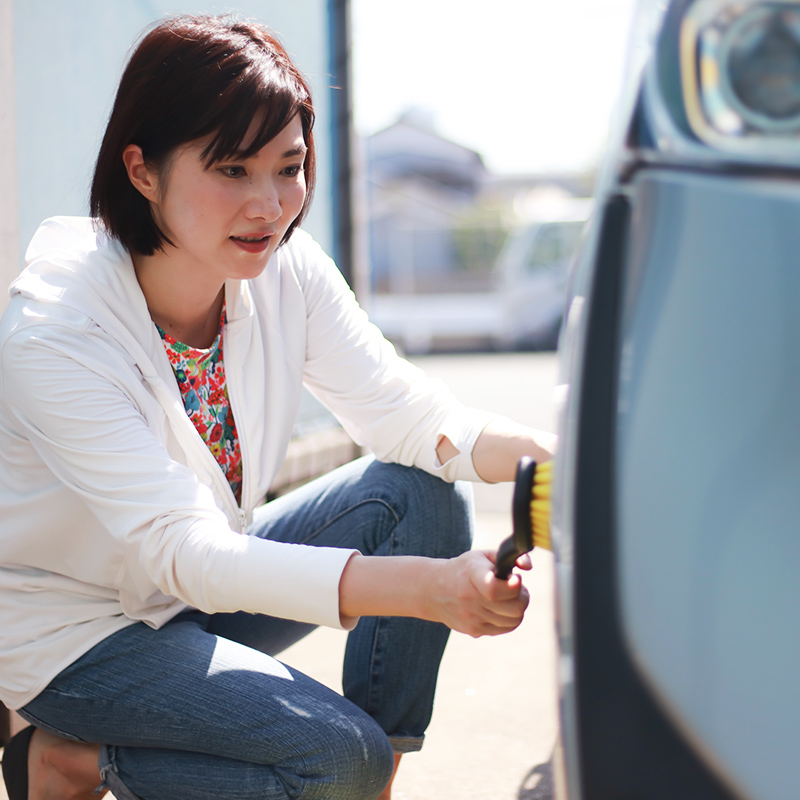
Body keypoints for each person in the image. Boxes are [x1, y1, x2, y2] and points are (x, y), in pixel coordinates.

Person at [0, 14, 556, 800]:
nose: (270, 205)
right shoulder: (56, 328)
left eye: (288, 167)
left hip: (197, 592)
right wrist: (430, 589)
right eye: (232, 170)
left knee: (418, 492)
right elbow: (181, 550)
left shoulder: (282, 268)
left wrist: (560, 461)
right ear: (142, 169)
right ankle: (67, 761)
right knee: (336, 759)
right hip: (80, 636)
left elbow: (410, 417)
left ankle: (365, 788)